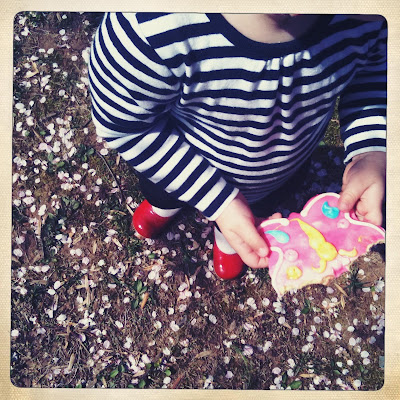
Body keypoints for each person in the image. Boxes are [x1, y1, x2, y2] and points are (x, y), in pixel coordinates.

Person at [88, 13, 386, 279]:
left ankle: (229, 239)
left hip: (276, 176)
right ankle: (163, 207)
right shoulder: (149, 27)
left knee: (247, 222)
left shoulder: (369, 21)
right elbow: (123, 123)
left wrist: (370, 149)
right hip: (178, 166)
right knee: (163, 193)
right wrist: (218, 200)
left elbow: (375, 76)